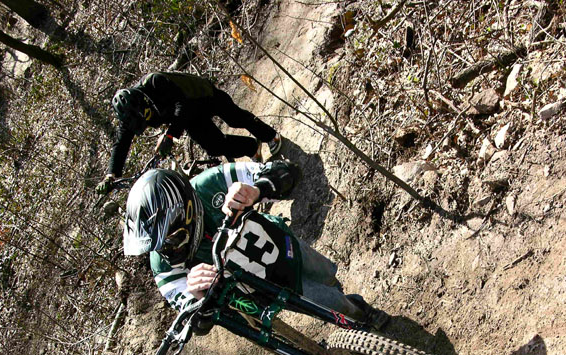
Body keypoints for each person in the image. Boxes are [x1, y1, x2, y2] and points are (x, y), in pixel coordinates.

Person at [122, 160, 390, 330]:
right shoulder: (161, 265)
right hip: (263, 289)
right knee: (333, 304)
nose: (166, 250)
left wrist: (257, 189)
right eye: (156, 245)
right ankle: (360, 316)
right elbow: (196, 323)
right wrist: (196, 296)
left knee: (329, 278)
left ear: (187, 211)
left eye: (170, 238)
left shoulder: (211, 183)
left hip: (283, 245)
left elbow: (287, 170)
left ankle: (351, 306)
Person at [97, 71, 282, 194]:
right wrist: (111, 175)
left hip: (202, 96)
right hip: (189, 118)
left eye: (145, 116)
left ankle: (270, 136)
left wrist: (170, 135)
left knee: (236, 119)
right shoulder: (128, 116)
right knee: (214, 146)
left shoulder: (154, 82)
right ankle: (251, 148)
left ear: (141, 102)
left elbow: (182, 103)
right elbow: (120, 144)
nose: (146, 121)